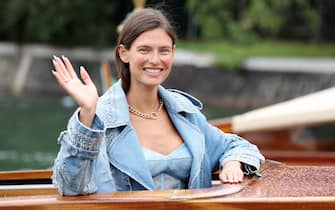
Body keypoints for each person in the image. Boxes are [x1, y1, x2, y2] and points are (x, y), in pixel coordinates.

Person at [51, 8, 265, 196]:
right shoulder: (97, 117)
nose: (155, 60)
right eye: (144, 50)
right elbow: (69, 187)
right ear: (124, 53)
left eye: (163, 50)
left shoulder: (185, 112)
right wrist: (87, 112)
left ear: (173, 53)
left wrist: (232, 163)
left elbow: (237, 146)